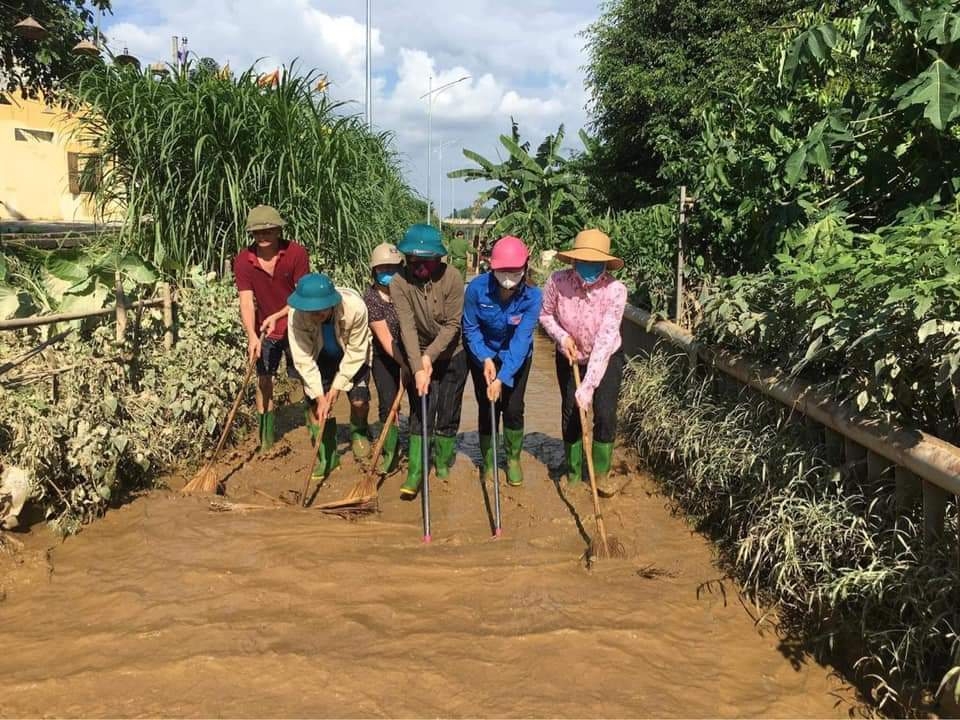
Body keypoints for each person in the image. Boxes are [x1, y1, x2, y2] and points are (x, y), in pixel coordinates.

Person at [539, 229, 627, 496]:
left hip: (606, 357)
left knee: (605, 413)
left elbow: (604, 340)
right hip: (569, 356)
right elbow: (545, 315)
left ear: (604, 264)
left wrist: (588, 386)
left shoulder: (615, 290)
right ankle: (574, 471)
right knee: (571, 412)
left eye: (595, 263)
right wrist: (562, 337)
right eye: (584, 261)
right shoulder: (557, 281)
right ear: (574, 261)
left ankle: (600, 475)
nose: (589, 267)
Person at [391, 223, 468, 498]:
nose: (420, 265)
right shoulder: (399, 282)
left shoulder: (453, 278)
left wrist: (428, 357)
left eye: (427, 260)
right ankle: (415, 470)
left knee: (447, 409)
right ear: (406, 258)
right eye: (414, 260)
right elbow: (407, 327)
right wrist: (417, 366)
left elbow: (452, 325)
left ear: (438, 259)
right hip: (417, 350)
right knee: (421, 408)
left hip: (453, 352)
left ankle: (443, 463)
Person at [462, 236, 542, 486]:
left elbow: (521, 341)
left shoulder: (532, 296)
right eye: (502, 271)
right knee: (487, 407)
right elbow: (470, 328)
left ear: (525, 267)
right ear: (492, 268)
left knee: (514, 407)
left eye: (514, 270)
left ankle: (513, 459)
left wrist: (503, 376)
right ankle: (488, 460)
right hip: (482, 353)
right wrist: (485, 358)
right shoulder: (476, 289)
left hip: (515, 356)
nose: (508, 276)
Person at [233, 204, 309, 452]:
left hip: (296, 323)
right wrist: (251, 336)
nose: (263, 238)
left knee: (306, 376)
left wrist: (278, 315)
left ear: (278, 231)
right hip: (265, 328)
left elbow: (303, 295)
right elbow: (246, 300)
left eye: (268, 232)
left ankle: (314, 425)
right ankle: (266, 439)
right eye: (257, 233)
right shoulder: (244, 261)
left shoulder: (296, 253)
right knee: (264, 379)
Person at [287, 273, 373, 481]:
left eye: (321, 311)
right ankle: (328, 456)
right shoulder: (296, 315)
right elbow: (304, 360)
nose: (316, 316)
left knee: (360, 401)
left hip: (351, 353)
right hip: (318, 357)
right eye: (311, 312)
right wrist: (320, 396)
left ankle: (359, 430)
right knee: (317, 408)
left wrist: (335, 390)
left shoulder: (355, 308)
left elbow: (356, 352)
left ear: (332, 303)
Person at [363, 243, 406, 474]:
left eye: (393, 268)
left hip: (412, 352)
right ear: (374, 271)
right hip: (385, 354)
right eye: (383, 269)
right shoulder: (370, 298)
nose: (388, 273)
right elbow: (385, 338)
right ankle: (391, 450)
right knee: (388, 403)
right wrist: (404, 365)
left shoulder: (408, 290)